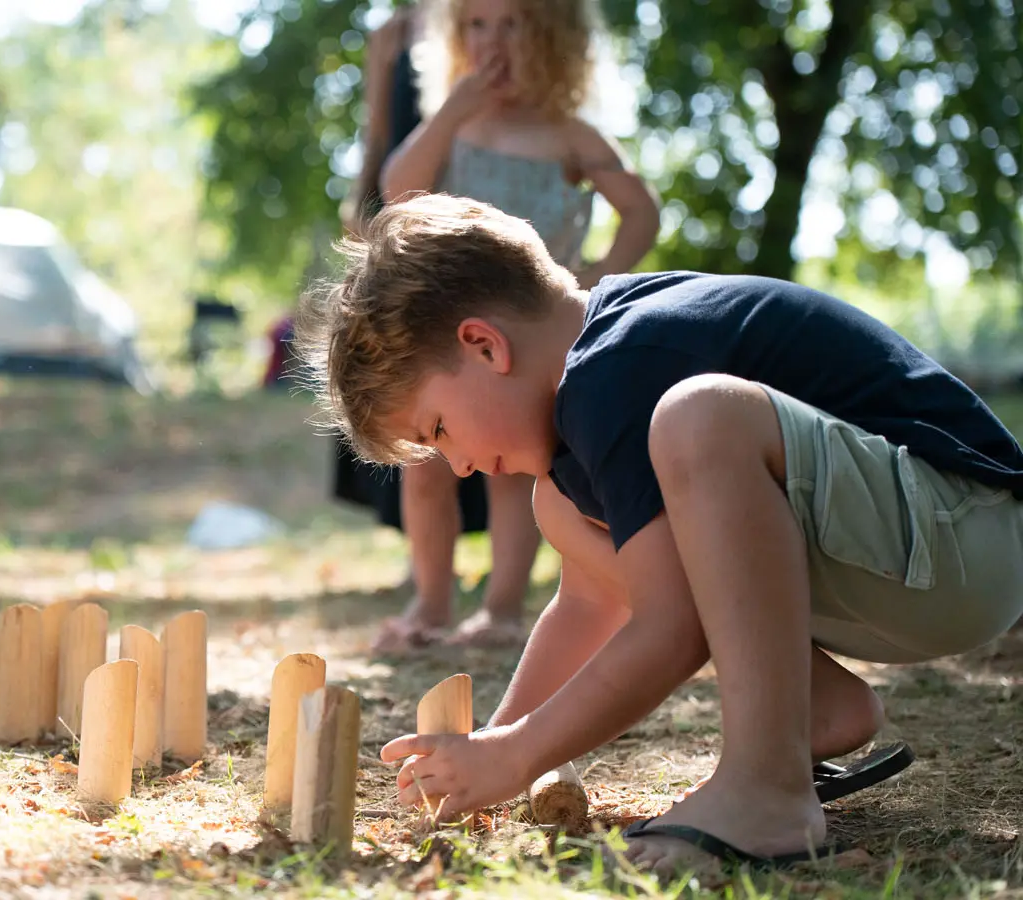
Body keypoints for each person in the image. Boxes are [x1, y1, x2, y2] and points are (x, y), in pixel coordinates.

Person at [296, 193, 1023, 877]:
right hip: (919, 562)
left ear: (484, 345)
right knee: (562, 507)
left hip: (967, 532)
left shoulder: (617, 369)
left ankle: (767, 790)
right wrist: (492, 750)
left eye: (440, 430)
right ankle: (812, 711)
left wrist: (517, 754)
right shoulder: (591, 396)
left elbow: (673, 628)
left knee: (700, 416)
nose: (456, 464)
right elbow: (588, 603)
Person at [366, 0, 660, 652]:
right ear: (454, 37)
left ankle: (500, 608)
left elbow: (640, 210)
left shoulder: (570, 135)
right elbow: (398, 190)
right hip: (447, 332)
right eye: (476, 24)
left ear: (552, 38)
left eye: (512, 24)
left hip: (525, 334)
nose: (492, 41)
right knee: (426, 466)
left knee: (513, 468)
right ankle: (431, 601)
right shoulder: (456, 127)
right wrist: (450, 111)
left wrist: (600, 273)